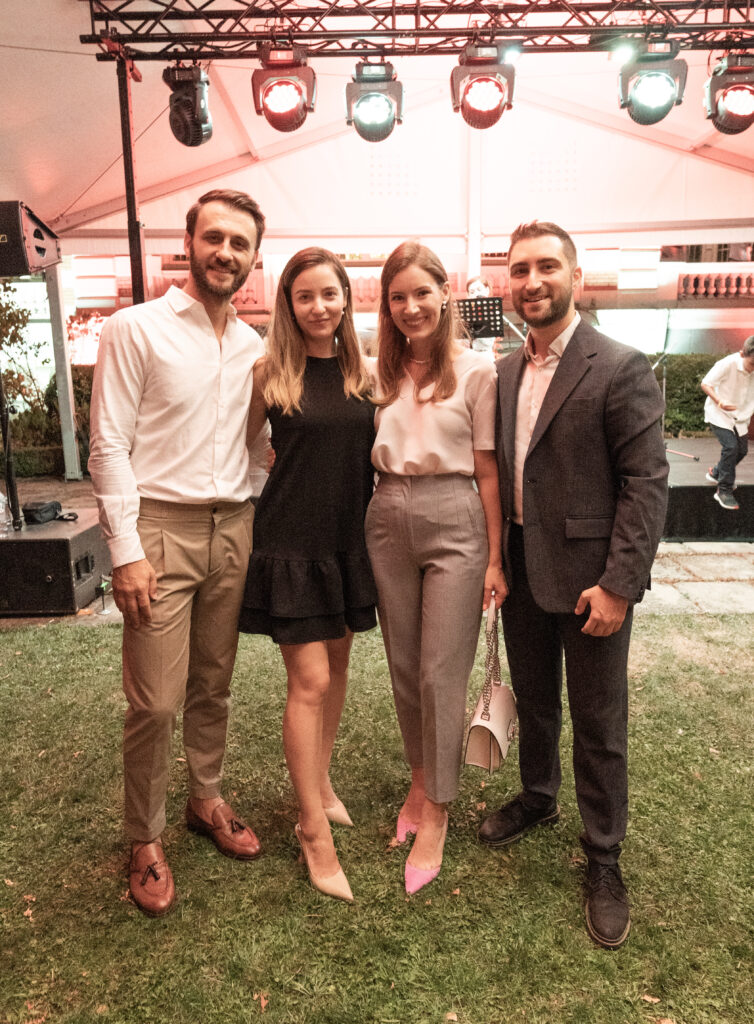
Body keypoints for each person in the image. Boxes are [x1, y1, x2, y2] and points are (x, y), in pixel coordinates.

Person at [478, 221, 668, 949]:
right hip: (523, 569)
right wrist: (498, 560)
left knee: (599, 721)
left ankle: (604, 855)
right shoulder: (502, 372)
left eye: (547, 267)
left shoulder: (619, 366)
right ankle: (538, 796)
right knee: (534, 701)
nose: (532, 281)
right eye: (520, 269)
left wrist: (619, 585)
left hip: (593, 581)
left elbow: (646, 484)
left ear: (576, 278)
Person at [89, 189, 267, 917]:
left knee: (214, 682)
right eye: (214, 237)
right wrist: (125, 549)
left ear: (253, 259)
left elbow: (255, 444)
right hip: (160, 530)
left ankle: (205, 798)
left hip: (233, 528)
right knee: (155, 701)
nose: (226, 252)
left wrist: (253, 501)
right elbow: (108, 445)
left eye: (240, 243)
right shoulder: (134, 328)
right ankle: (145, 836)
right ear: (187, 243)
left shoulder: (256, 347)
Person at [365, 241, 506, 896]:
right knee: (403, 666)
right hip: (387, 513)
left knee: (439, 671)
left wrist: (496, 557)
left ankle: (440, 811)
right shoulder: (378, 371)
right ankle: (420, 783)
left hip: (456, 516)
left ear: (446, 294)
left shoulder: (477, 370)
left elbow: (487, 470)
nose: (411, 306)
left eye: (422, 292)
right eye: (398, 297)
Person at [240, 247, 377, 904]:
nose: (319, 307)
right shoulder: (268, 372)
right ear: (288, 306)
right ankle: (311, 829)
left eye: (329, 294)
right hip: (290, 543)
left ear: (345, 298)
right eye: (304, 296)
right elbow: (242, 451)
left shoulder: (365, 373)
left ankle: (320, 784)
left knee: (339, 669)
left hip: (347, 544)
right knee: (311, 681)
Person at [701, 336, 754, 511]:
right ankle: (723, 490)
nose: (753, 369)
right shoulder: (727, 363)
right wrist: (719, 401)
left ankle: (716, 473)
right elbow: (706, 384)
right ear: (742, 354)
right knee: (731, 447)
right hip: (719, 413)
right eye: (752, 364)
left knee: (742, 450)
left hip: (740, 416)